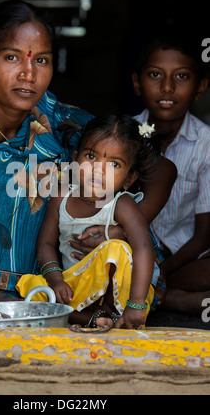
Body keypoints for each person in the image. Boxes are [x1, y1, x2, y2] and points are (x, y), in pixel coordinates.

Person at [0, 0, 176, 327]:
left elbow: (162, 169)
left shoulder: (56, 117)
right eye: (11, 57)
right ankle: (11, 305)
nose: (28, 73)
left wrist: (118, 228)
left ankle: (72, 307)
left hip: (71, 270)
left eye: (42, 60)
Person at [16, 115, 160, 329]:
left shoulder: (122, 205)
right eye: (91, 156)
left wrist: (137, 303)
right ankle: (93, 318)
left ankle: (109, 312)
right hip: (75, 287)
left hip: (121, 294)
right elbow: (45, 244)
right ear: (75, 159)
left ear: (129, 179)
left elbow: (143, 248)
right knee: (33, 289)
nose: (99, 170)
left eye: (114, 164)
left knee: (116, 248)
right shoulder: (60, 197)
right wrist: (56, 280)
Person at [132, 26, 210, 315]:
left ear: (200, 87)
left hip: (182, 261)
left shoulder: (206, 145)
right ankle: (166, 295)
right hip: (130, 253)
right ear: (137, 83)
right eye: (155, 75)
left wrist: (162, 267)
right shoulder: (122, 136)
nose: (167, 87)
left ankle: (160, 289)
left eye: (182, 76)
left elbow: (203, 236)